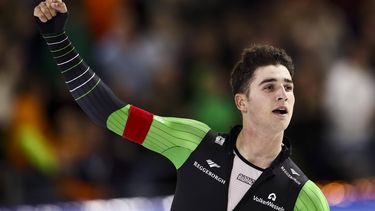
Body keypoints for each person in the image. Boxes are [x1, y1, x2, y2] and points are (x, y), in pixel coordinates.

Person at [33, 0, 330, 210]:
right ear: (242, 101)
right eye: (269, 86)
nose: (283, 94)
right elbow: (111, 114)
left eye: (288, 87)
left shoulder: (306, 198)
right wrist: (58, 41)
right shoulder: (193, 142)